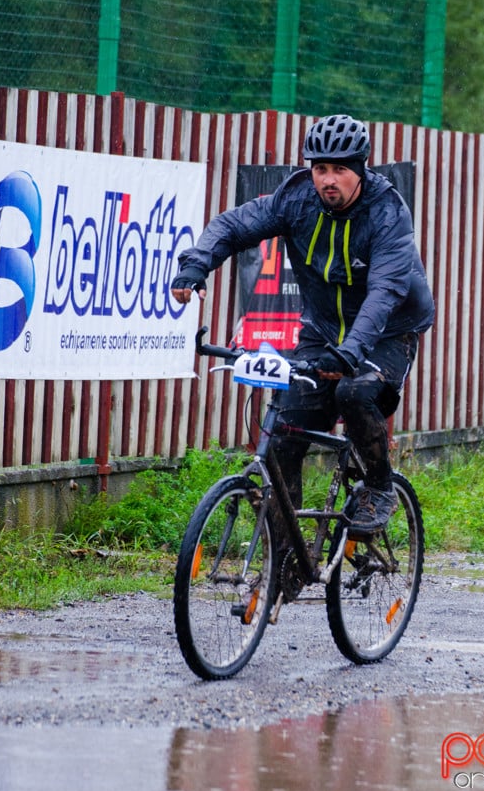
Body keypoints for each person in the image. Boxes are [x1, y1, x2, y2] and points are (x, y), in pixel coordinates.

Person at [171, 114, 434, 536]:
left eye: (340, 170)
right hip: (325, 328)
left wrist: (350, 355)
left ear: (361, 169)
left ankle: (379, 486)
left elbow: (384, 292)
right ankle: (287, 559)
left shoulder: (387, 213)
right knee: (282, 438)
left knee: (355, 391)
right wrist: (195, 266)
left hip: (388, 329)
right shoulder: (296, 199)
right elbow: (233, 225)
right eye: (320, 169)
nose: (328, 179)